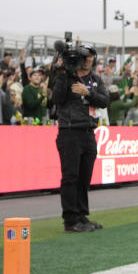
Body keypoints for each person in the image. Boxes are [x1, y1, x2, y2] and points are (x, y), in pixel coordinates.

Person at [50, 44, 109, 233]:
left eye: (91, 56)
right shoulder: (65, 77)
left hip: (89, 131)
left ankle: (81, 215)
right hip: (69, 131)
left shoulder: (95, 79)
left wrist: (88, 93)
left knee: (84, 177)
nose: (88, 59)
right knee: (70, 177)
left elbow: (104, 101)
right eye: (84, 56)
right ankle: (70, 219)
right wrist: (60, 72)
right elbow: (57, 99)